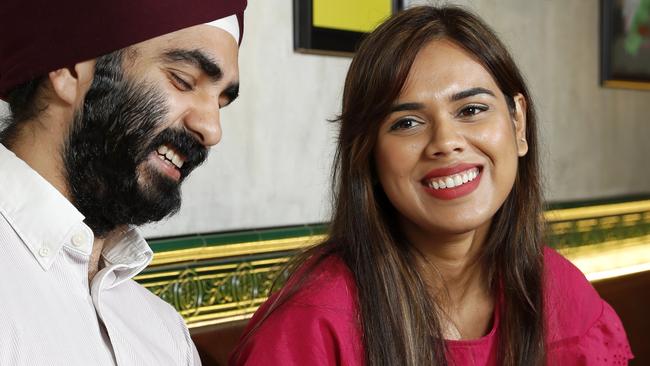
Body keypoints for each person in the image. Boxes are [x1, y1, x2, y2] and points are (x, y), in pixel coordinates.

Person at [230, 5, 633, 366]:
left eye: (472, 110)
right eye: (406, 123)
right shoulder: (313, 325)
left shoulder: (558, 291)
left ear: (518, 124)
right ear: (367, 154)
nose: (445, 141)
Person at [0, 0, 246, 365]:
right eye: (184, 80)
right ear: (67, 69)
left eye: (221, 103)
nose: (212, 130)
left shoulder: (165, 332)